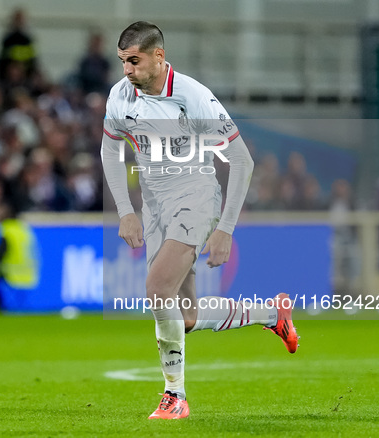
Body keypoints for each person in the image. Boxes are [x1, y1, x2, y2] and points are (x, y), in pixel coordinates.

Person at [101, 22, 299, 420]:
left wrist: (225, 228)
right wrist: (125, 210)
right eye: (123, 61)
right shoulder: (121, 95)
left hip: (195, 195)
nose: (127, 70)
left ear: (159, 56)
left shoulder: (194, 97)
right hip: (154, 204)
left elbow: (242, 160)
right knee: (184, 317)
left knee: (157, 288)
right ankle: (271, 315)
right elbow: (109, 150)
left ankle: (175, 396)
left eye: (134, 61)